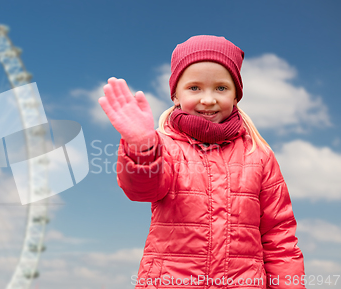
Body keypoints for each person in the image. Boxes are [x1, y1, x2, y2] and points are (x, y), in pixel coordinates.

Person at [99, 35, 305, 289]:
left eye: (221, 88)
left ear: (236, 96)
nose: (208, 99)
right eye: (194, 88)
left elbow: (279, 237)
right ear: (175, 95)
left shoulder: (258, 154)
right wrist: (142, 146)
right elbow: (142, 189)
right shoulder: (165, 147)